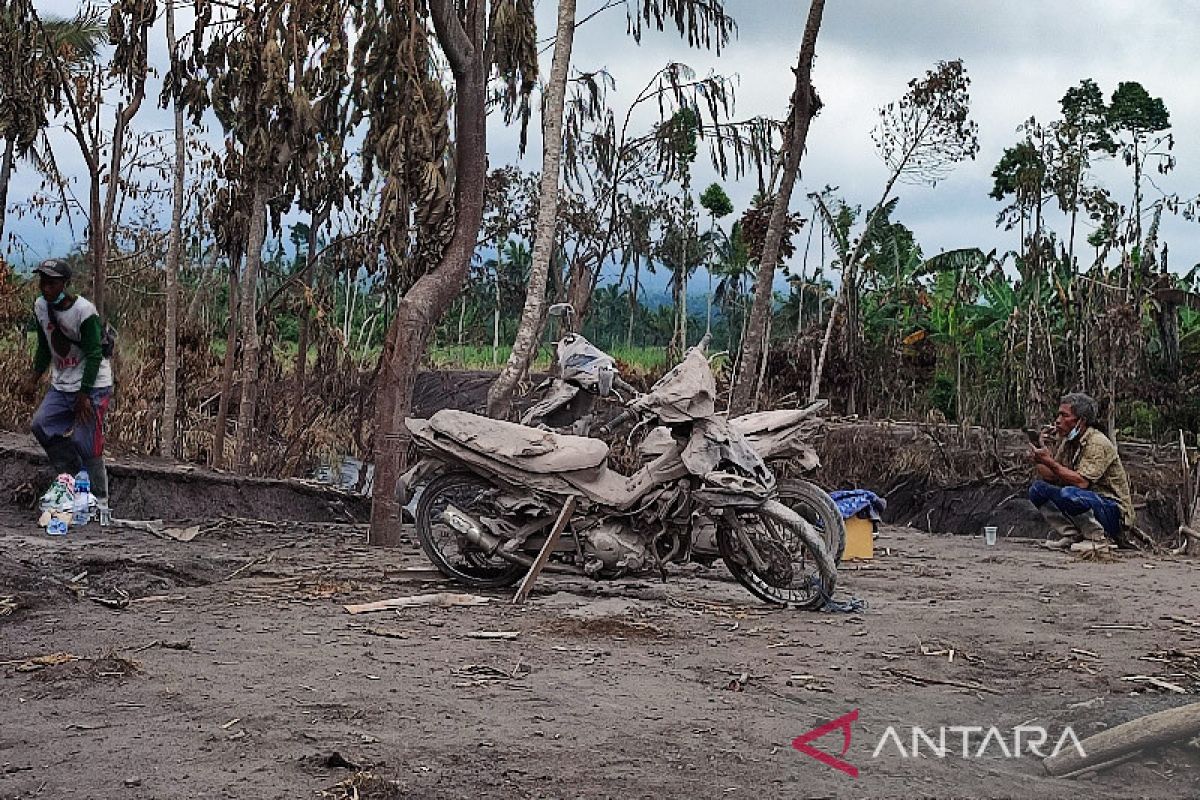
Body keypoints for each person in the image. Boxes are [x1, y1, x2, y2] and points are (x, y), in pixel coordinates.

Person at [21, 258, 113, 517]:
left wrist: (84, 395)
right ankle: (73, 475)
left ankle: (100, 500)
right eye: (42, 282)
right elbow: (44, 346)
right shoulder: (40, 307)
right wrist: (33, 377)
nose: (45, 287)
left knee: (86, 443)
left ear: (64, 284)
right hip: (62, 384)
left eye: (51, 283)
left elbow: (95, 354)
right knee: (41, 425)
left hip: (93, 385)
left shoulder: (84, 312)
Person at [1028, 392, 1133, 553]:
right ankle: (1072, 535)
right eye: (1058, 415)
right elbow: (1051, 476)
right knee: (1038, 490)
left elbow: (1082, 482)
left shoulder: (1097, 443)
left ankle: (1097, 538)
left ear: (1081, 421)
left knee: (1070, 493)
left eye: (1064, 416)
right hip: (1087, 502)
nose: (1057, 421)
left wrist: (1050, 462)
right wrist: (1039, 456)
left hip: (1112, 511)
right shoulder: (1069, 442)